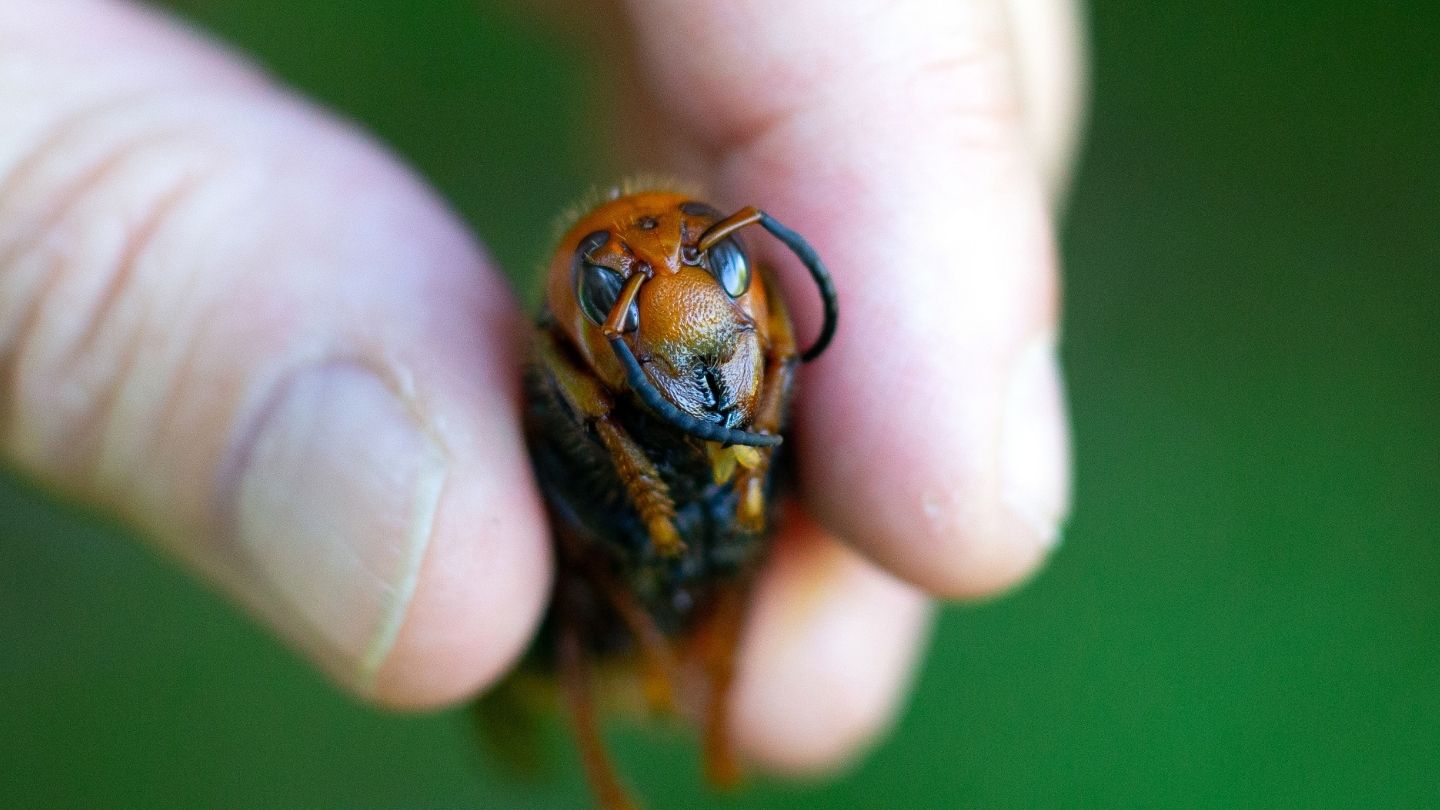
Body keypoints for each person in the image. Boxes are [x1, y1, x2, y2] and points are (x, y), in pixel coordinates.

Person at [0, 0, 1078, 774]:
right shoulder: (578, 391)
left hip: (700, 566)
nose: (682, 299)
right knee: (552, 609)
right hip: (590, 594)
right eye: (624, 284)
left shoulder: (744, 335)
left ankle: (697, 694)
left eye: (720, 269)